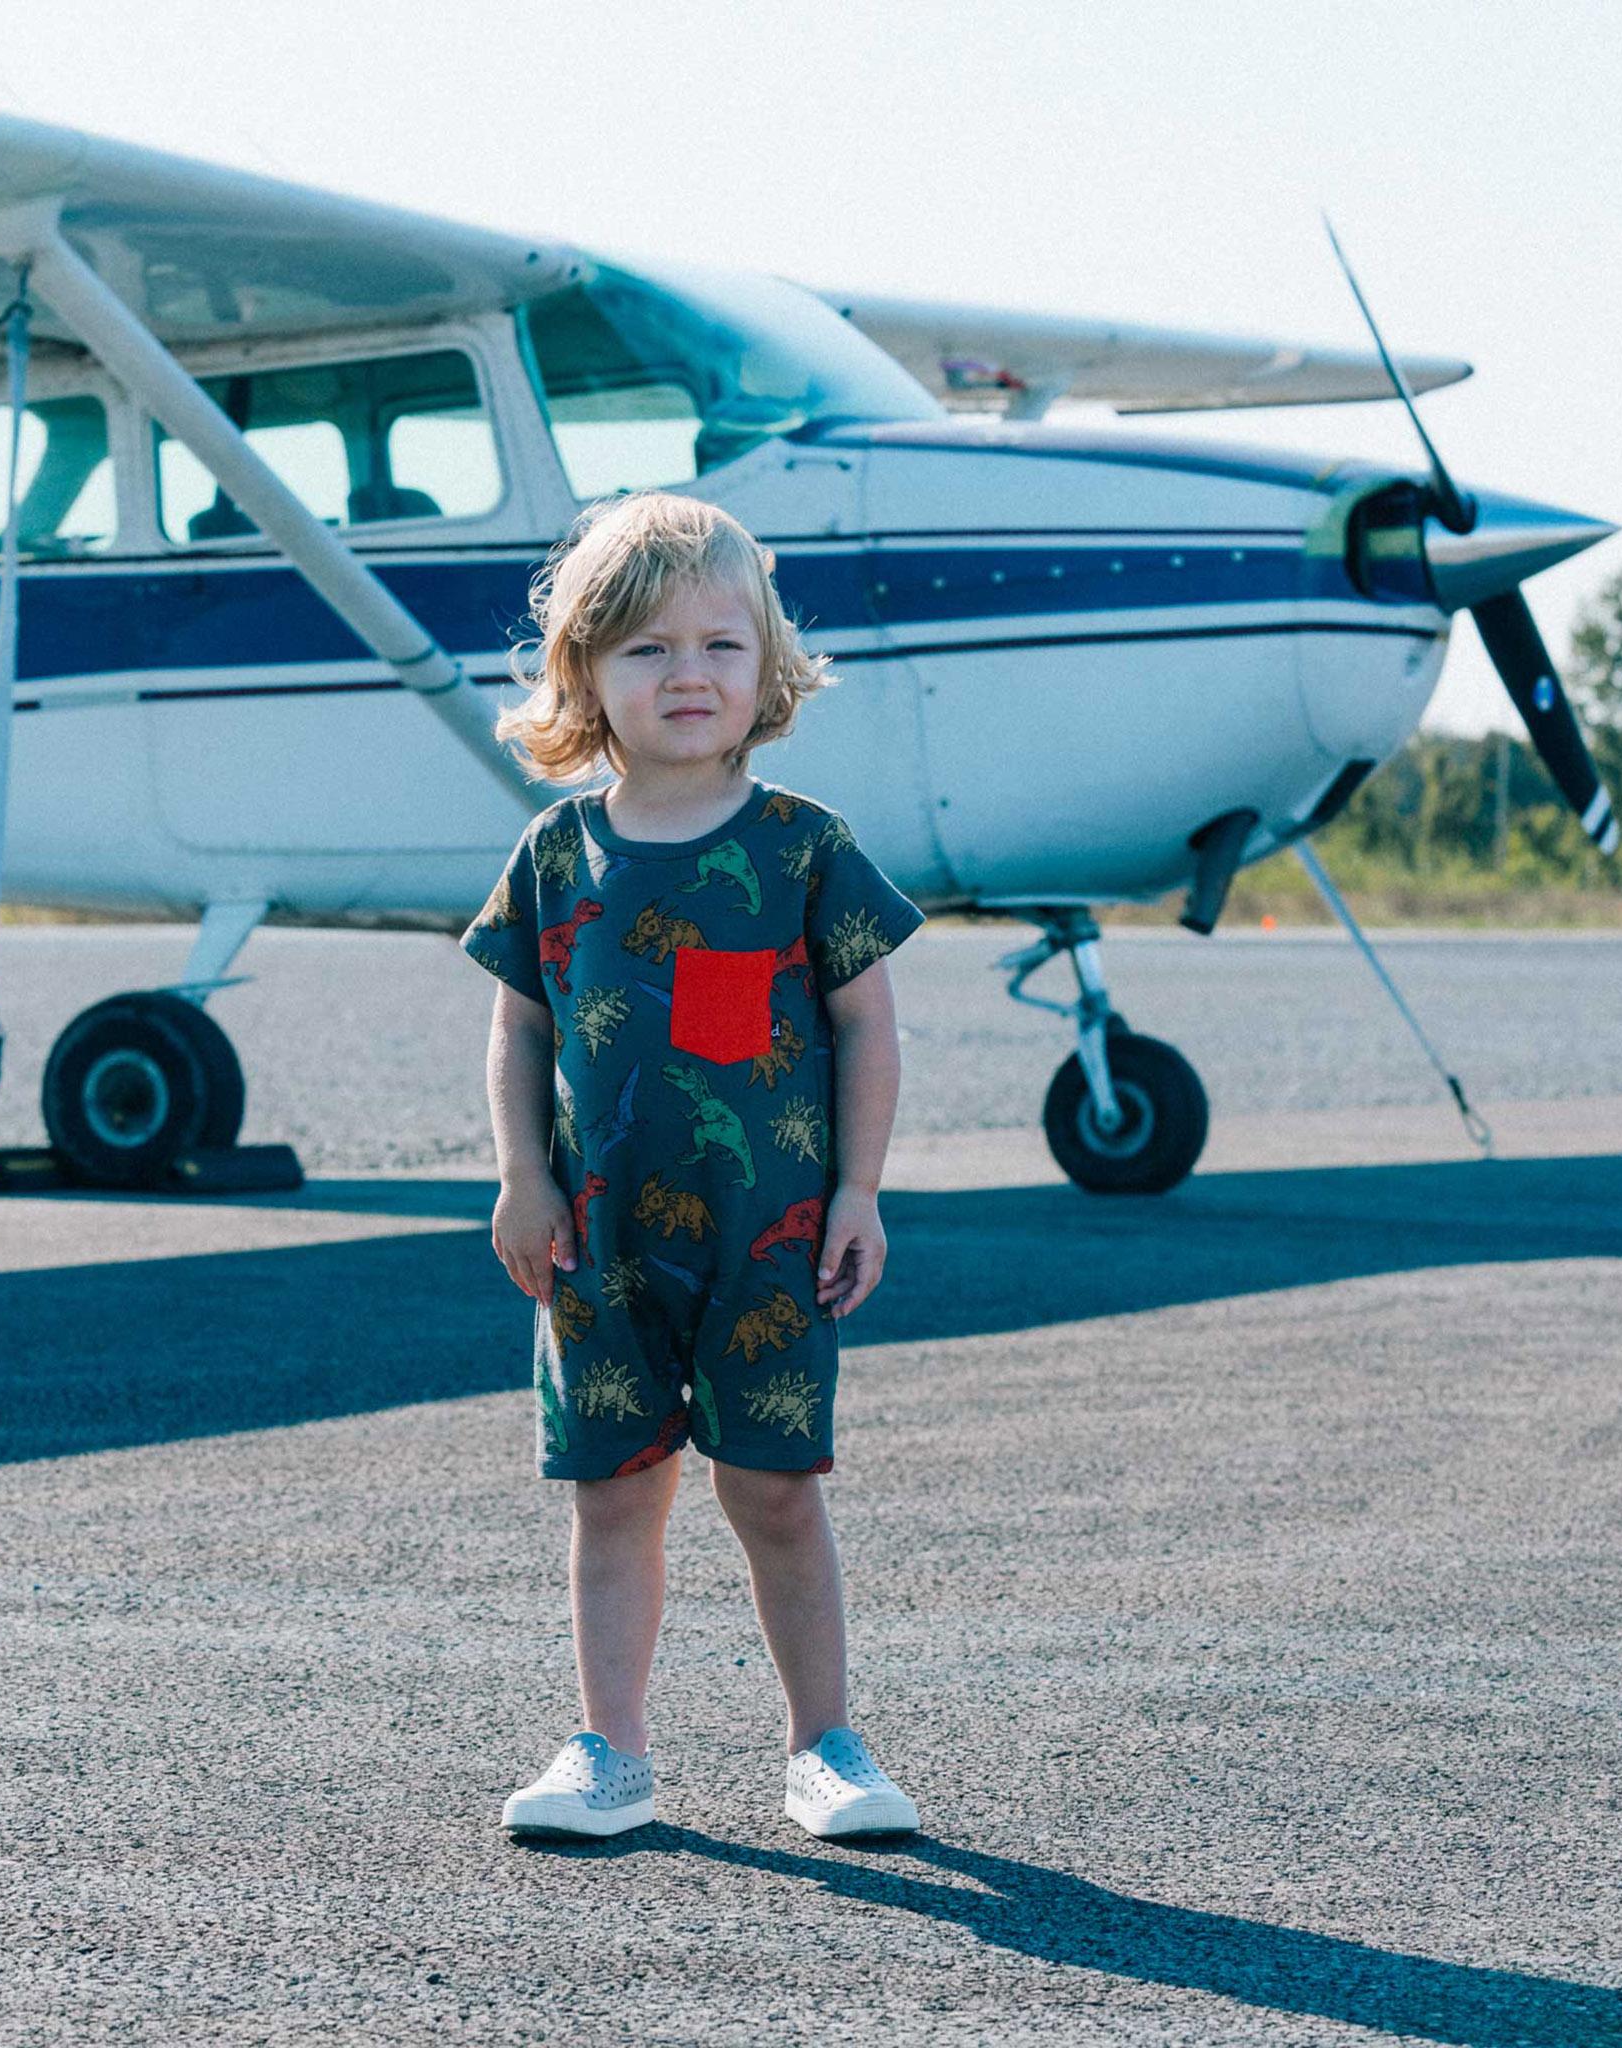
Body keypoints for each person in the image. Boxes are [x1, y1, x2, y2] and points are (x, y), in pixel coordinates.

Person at [458, 490, 925, 1840]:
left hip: (770, 1240)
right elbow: (520, 1028)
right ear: (586, 672)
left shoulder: (804, 848)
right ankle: (610, 1752)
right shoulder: (556, 854)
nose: (688, 674)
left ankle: (825, 1747)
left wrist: (858, 1192)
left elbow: (867, 1027)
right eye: (648, 648)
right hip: (596, 1242)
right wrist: (521, 1178)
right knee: (614, 1493)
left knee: (773, 1489)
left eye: (721, 644)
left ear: (766, 664)